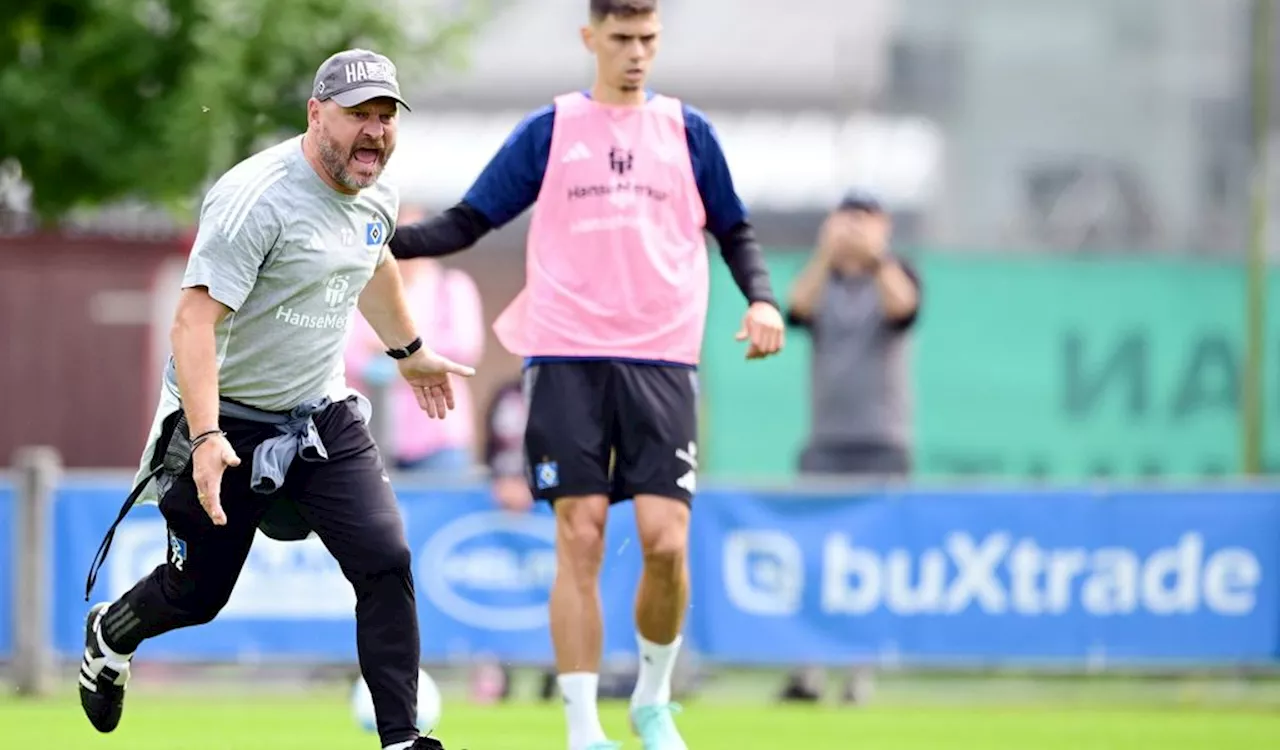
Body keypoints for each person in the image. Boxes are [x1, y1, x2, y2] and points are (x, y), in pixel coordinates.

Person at [388, 2, 785, 747]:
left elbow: (735, 229)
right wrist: (383, 238)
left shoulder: (689, 133)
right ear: (591, 38)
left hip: (663, 359)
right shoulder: (550, 130)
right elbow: (469, 222)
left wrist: (762, 299)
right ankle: (580, 726)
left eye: (649, 40)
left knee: (667, 540)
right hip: (565, 355)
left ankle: (653, 699)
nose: (637, 53)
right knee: (582, 533)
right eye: (623, 38)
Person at [77, 49, 474, 750]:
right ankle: (111, 634)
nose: (375, 132)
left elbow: (372, 261)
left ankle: (402, 740)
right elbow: (192, 323)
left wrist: (410, 354)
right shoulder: (254, 199)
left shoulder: (376, 190)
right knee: (198, 595)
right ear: (316, 114)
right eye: (360, 115)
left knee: (385, 558)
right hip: (224, 423)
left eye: (386, 117)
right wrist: (203, 437)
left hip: (321, 415)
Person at [780, 188, 922, 703]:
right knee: (815, 561)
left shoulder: (898, 272)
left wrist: (875, 253)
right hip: (825, 442)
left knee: (870, 566)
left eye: (863, 221)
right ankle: (808, 670)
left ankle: (860, 673)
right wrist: (825, 252)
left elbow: (904, 307)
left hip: (883, 443)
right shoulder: (823, 280)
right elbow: (796, 308)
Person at [345, 204, 485, 474]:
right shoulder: (365, 288)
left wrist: (400, 347)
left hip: (438, 440)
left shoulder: (451, 287)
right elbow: (347, 352)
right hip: (373, 435)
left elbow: (466, 347)